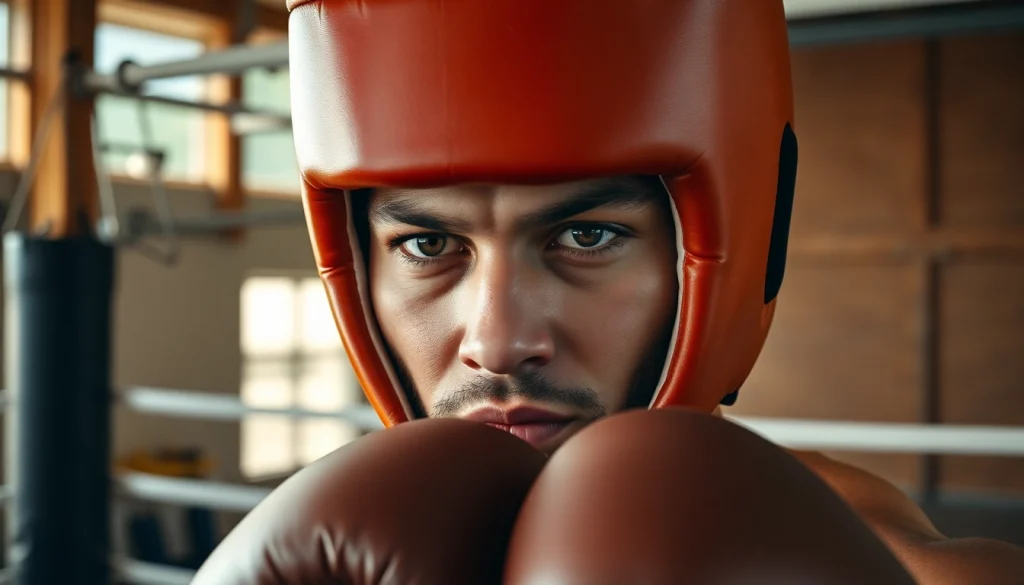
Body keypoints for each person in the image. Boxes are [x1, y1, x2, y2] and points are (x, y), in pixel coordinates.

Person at [193, 0, 1024, 583]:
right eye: (429, 244)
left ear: (729, 251)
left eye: (585, 237)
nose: (500, 339)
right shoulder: (321, 551)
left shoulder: (882, 559)